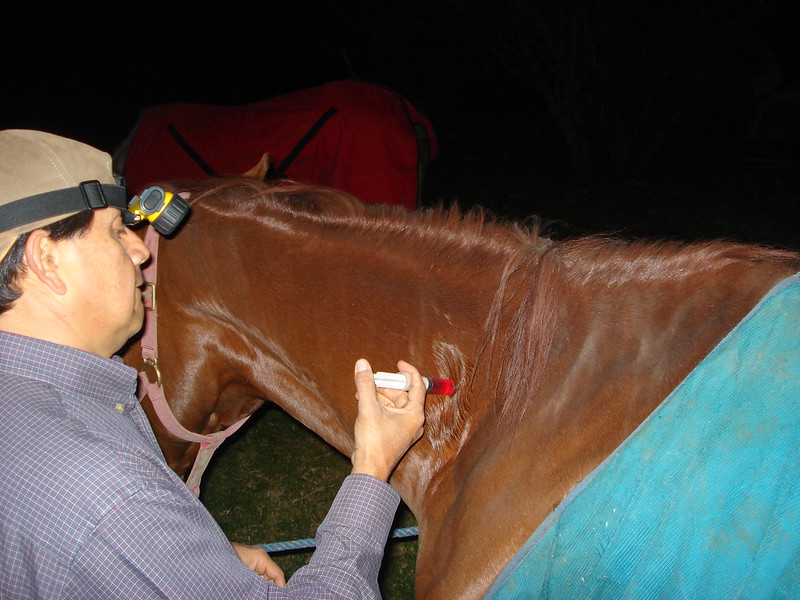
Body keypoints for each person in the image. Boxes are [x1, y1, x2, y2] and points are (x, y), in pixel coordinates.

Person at [0, 129, 427, 599]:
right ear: (46, 260)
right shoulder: (110, 495)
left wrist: (194, 561)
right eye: (116, 231)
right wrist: (373, 465)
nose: (140, 250)